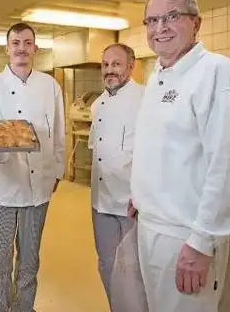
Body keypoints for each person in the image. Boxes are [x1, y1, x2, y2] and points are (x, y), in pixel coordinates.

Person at [128, 0, 230, 312]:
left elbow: (228, 166)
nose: (161, 28)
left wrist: (201, 243)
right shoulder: (159, 75)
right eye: (152, 20)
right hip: (150, 227)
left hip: (185, 236)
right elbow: (164, 146)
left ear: (196, 23)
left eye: (172, 17)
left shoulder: (216, 73)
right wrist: (141, 193)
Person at [0, 22, 65, 312]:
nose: (22, 49)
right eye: (16, 43)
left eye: (28, 43)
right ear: (7, 49)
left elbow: (59, 133)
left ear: (35, 49)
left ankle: (24, 307)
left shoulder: (50, 85)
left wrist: (57, 171)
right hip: (4, 188)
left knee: (29, 259)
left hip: (39, 189)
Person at [88, 43, 144, 307]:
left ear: (131, 66)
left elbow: (154, 153)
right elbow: (96, 151)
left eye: (116, 64)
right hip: (101, 202)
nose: (110, 70)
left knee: (134, 272)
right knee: (107, 265)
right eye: (105, 65)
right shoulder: (97, 105)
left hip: (133, 204)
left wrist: (143, 194)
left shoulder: (145, 100)